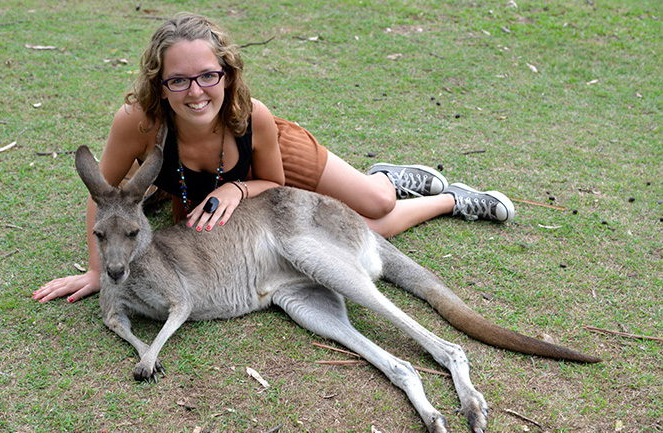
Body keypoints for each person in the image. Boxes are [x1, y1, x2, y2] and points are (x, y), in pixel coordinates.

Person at [33, 13, 514, 304]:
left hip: (269, 167)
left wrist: (235, 187)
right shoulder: (138, 120)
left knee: (377, 210)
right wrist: (98, 271)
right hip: (197, 186)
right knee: (364, 233)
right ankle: (444, 198)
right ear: (159, 83)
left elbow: (276, 186)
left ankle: (428, 191)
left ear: (227, 72)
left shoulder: (252, 115)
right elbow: (105, 197)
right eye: (178, 80)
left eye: (208, 75)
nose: (196, 91)